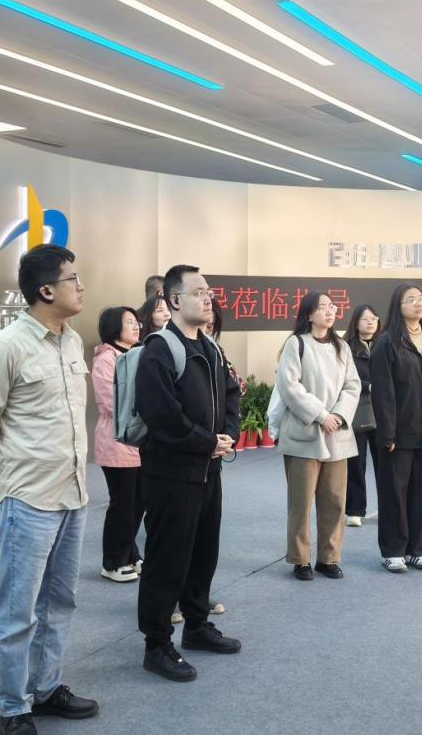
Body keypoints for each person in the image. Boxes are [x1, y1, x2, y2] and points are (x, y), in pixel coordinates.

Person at [0, 245, 98, 734]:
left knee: (60, 602)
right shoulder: (6, 347)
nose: (80, 286)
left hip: (73, 493)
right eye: (72, 279)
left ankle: (45, 687)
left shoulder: (72, 341)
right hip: (27, 498)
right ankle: (13, 708)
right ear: (45, 290)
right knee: (18, 611)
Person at [135, 265, 241, 682]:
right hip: (171, 471)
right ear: (174, 300)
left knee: (203, 551)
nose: (208, 298)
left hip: (209, 468)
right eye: (199, 292)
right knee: (167, 558)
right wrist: (205, 441)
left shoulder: (211, 348)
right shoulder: (159, 349)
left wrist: (227, 435)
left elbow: (231, 394)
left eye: (209, 291)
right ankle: (157, 644)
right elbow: (161, 414)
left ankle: (196, 626)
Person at [276, 292, 361, 581]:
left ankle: (329, 557)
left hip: (336, 434)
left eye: (332, 307)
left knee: (335, 501)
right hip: (305, 433)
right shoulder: (296, 343)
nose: (329, 311)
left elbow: (353, 385)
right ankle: (300, 559)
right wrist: (320, 415)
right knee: (300, 503)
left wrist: (337, 415)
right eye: (322, 307)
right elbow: (289, 386)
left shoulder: (342, 347)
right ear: (309, 314)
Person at [370, 284, 422, 573]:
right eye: (411, 299)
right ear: (399, 306)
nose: (419, 304)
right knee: (394, 492)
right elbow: (383, 392)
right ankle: (393, 550)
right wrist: (387, 433)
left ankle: (416, 549)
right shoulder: (387, 342)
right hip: (398, 433)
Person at [93, 306, 143, 583]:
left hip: (139, 441)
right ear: (114, 327)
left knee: (136, 504)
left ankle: (130, 554)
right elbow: (111, 402)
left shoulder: (137, 353)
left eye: (136, 322)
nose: (136, 326)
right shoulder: (106, 359)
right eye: (129, 322)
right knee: (122, 504)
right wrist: (148, 411)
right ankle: (112, 562)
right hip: (117, 441)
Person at [342, 304, 381, 527]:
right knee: (356, 463)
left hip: (382, 412)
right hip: (356, 411)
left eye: (374, 318)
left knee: (386, 464)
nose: (371, 322)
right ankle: (355, 510)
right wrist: (368, 387)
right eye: (365, 319)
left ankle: (388, 508)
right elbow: (343, 378)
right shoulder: (345, 347)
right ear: (356, 323)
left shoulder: (385, 344)